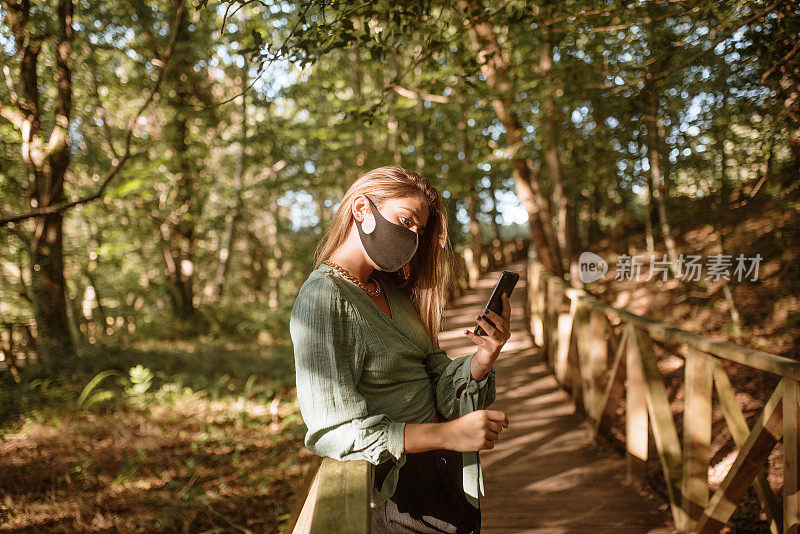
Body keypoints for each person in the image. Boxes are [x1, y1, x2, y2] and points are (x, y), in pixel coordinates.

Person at [290, 166, 511, 533]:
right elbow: (333, 431)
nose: (412, 237)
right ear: (361, 209)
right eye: (405, 221)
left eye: (419, 230)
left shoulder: (391, 291)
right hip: (400, 498)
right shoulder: (323, 298)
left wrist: (484, 357)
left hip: (447, 478)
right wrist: (447, 434)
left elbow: (434, 377)